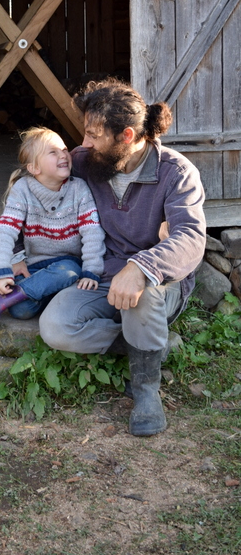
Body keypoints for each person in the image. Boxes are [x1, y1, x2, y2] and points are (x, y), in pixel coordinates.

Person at [37, 78, 207, 437]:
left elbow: (190, 238)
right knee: (55, 327)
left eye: (94, 134)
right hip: (102, 273)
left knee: (142, 301)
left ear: (126, 136)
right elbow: (35, 189)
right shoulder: (88, 162)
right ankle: (151, 344)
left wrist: (142, 267)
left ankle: (146, 391)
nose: (83, 144)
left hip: (158, 283)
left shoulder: (176, 173)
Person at [0, 126, 106, 333]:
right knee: (21, 310)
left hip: (69, 265)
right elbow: (6, 229)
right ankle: (19, 296)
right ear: (34, 168)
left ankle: (1, 301)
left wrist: (92, 270)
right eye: (53, 152)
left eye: (64, 149)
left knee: (68, 272)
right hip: (34, 266)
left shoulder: (79, 189)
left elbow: (92, 232)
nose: (63, 155)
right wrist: (3, 267)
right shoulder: (22, 189)